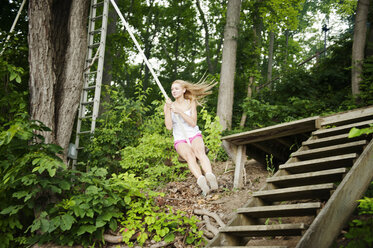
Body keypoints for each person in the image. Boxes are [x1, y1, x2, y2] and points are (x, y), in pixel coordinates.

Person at [164, 79, 218, 196]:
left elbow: (193, 123)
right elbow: (168, 126)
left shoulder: (190, 102)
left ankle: (209, 176)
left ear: (183, 90)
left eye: (176, 89)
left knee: (199, 152)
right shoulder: (168, 106)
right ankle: (201, 180)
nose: (173, 91)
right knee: (189, 156)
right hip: (180, 139)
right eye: (172, 89)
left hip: (193, 134)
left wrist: (180, 112)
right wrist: (169, 109)